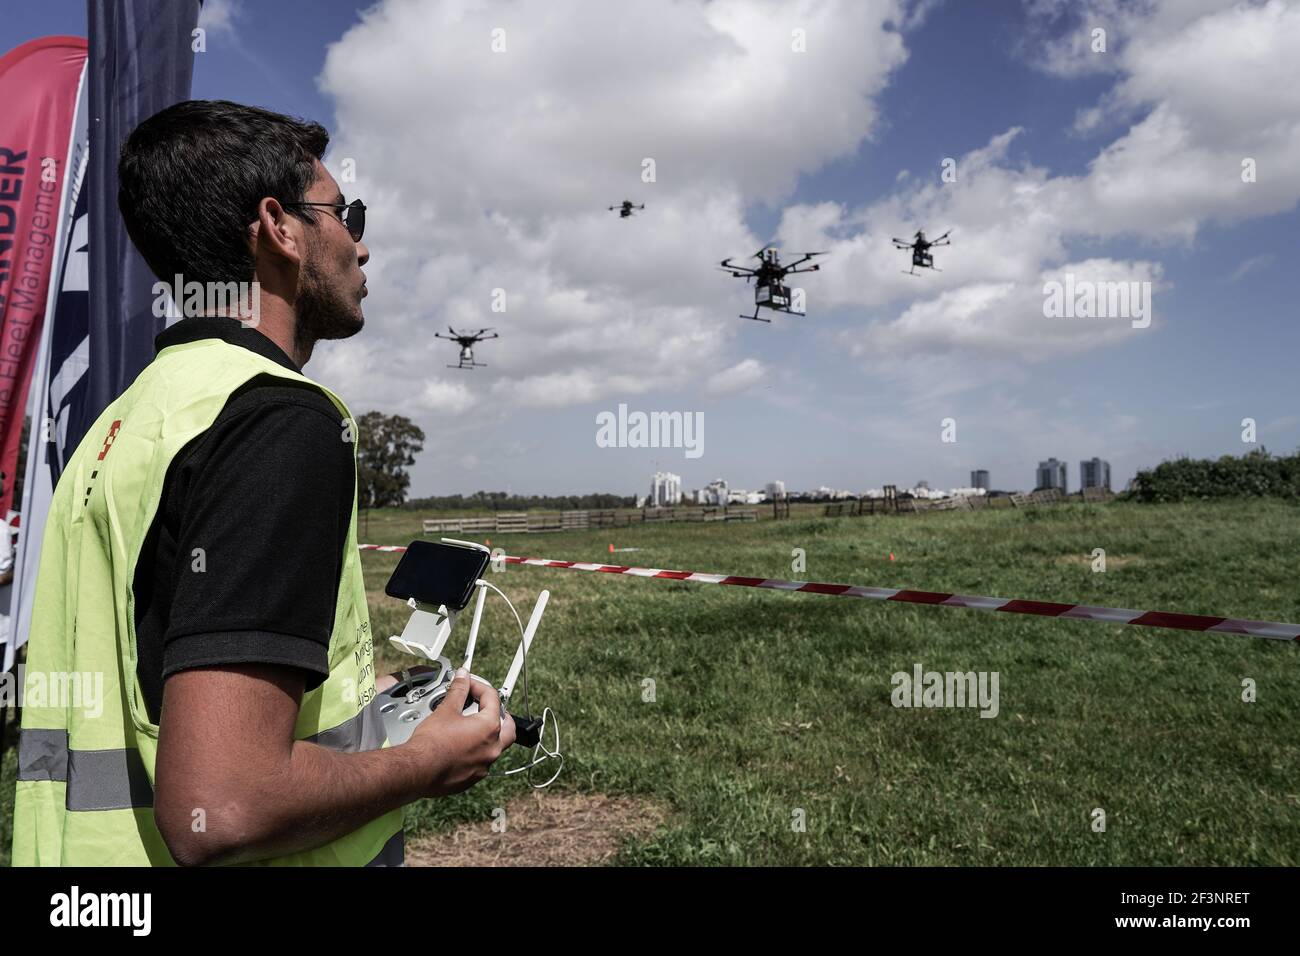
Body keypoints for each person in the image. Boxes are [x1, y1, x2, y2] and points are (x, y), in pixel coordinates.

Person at [11, 100, 514, 867]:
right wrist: (428, 762)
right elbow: (225, 805)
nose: (362, 245)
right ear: (281, 228)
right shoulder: (277, 419)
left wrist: (338, 697)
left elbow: (152, 677)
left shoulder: (126, 421)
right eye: (344, 213)